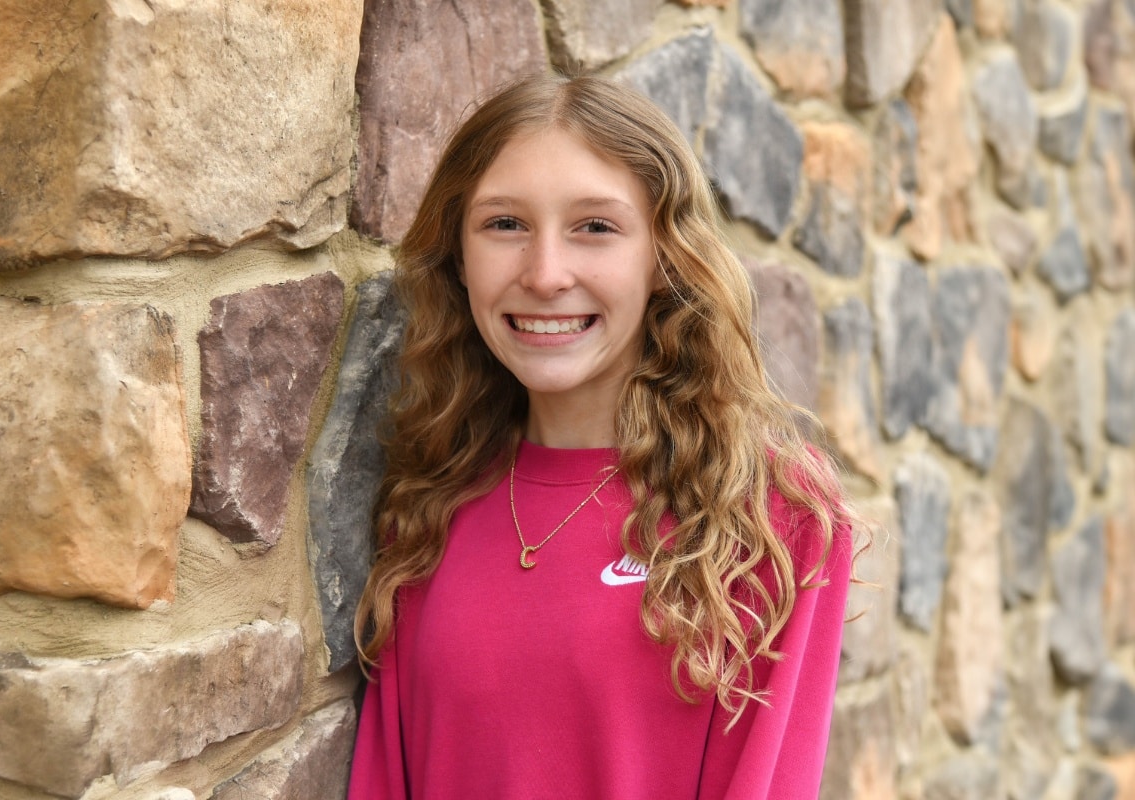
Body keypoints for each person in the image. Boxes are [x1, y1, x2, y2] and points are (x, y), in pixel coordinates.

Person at [348, 73, 854, 800]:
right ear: (459, 258)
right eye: (504, 224)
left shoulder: (773, 509)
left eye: (596, 227)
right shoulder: (429, 504)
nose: (546, 274)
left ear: (663, 257)